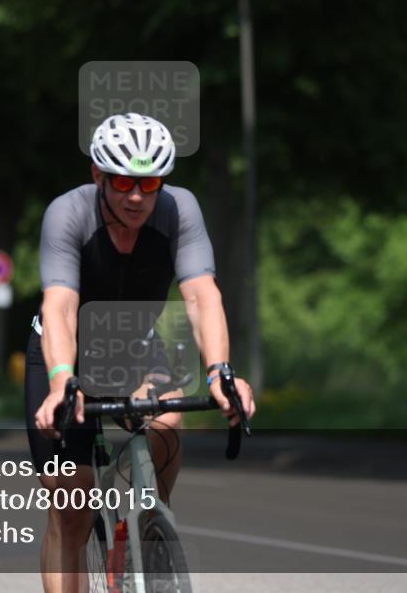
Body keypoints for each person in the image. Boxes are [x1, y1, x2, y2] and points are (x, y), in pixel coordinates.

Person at [25, 112, 256, 593]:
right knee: (72, 506)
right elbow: (62, 306)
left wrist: (220, 373)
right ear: (98, 175)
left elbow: (201, 296)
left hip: (133, 345)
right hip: (63, 349)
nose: (136, 196)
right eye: (124, 182)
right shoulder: (67, 214)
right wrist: (63, 381)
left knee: (169, 418)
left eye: (149, 182)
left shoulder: (179, 211)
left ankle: (150, 527)